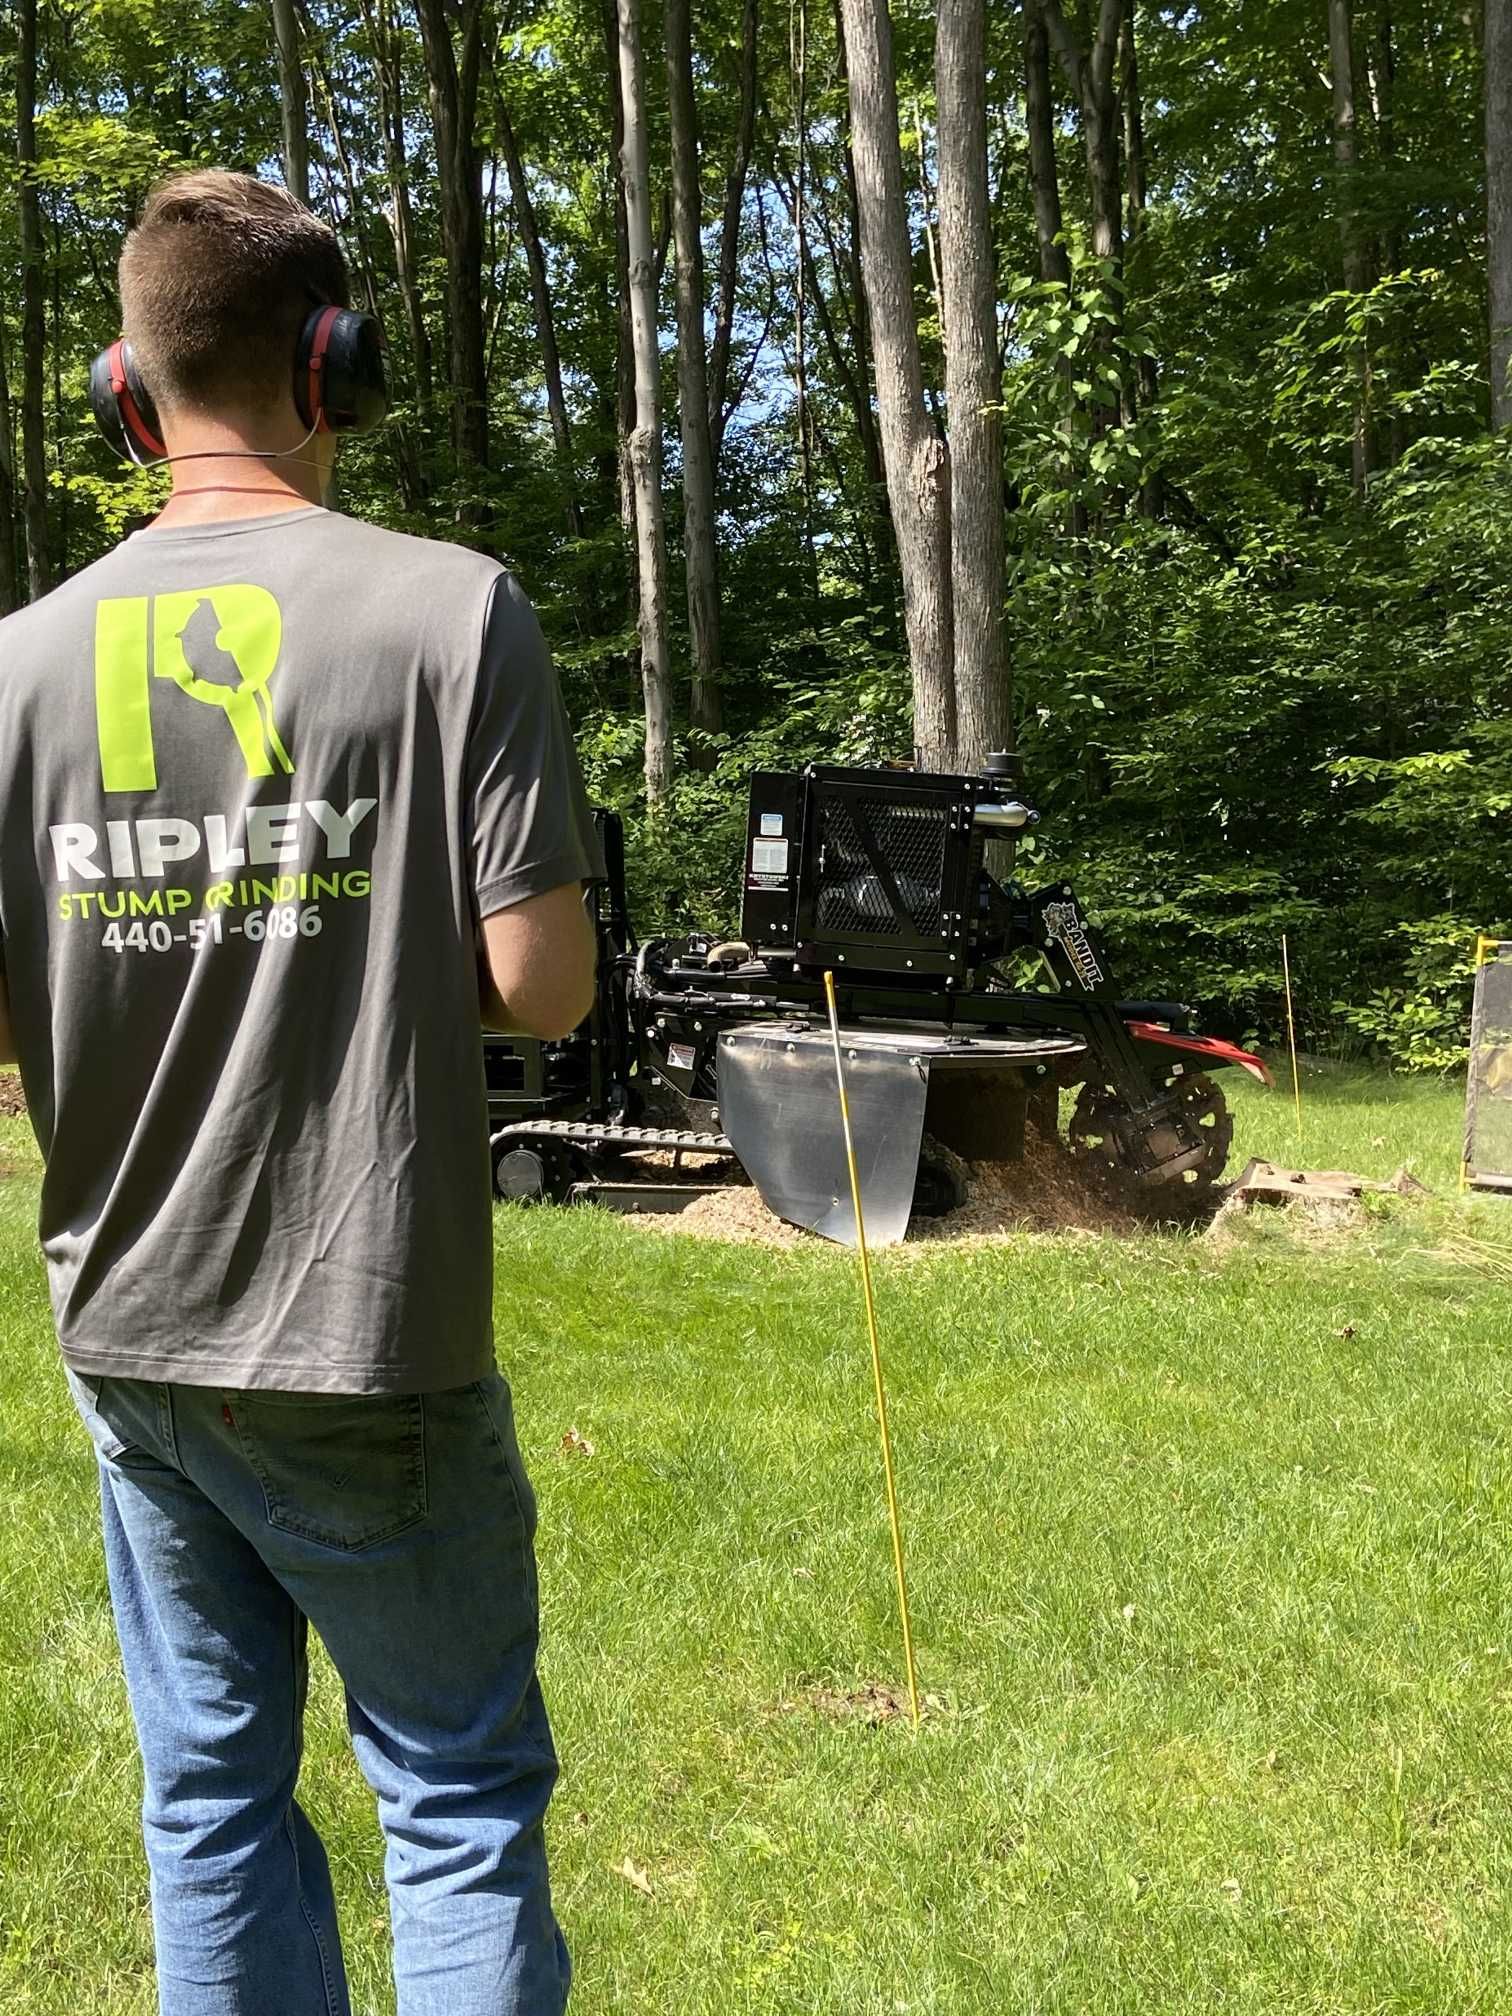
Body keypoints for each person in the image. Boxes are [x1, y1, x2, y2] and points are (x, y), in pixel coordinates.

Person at [0, 169, 602, 2015]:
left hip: (134, 1332)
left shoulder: (14, 669)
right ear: (331, 360)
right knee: (455, 1792)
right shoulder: (452, 611)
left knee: (209, 1801)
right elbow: (544, 988)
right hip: (366, 1333)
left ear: (127, 386)